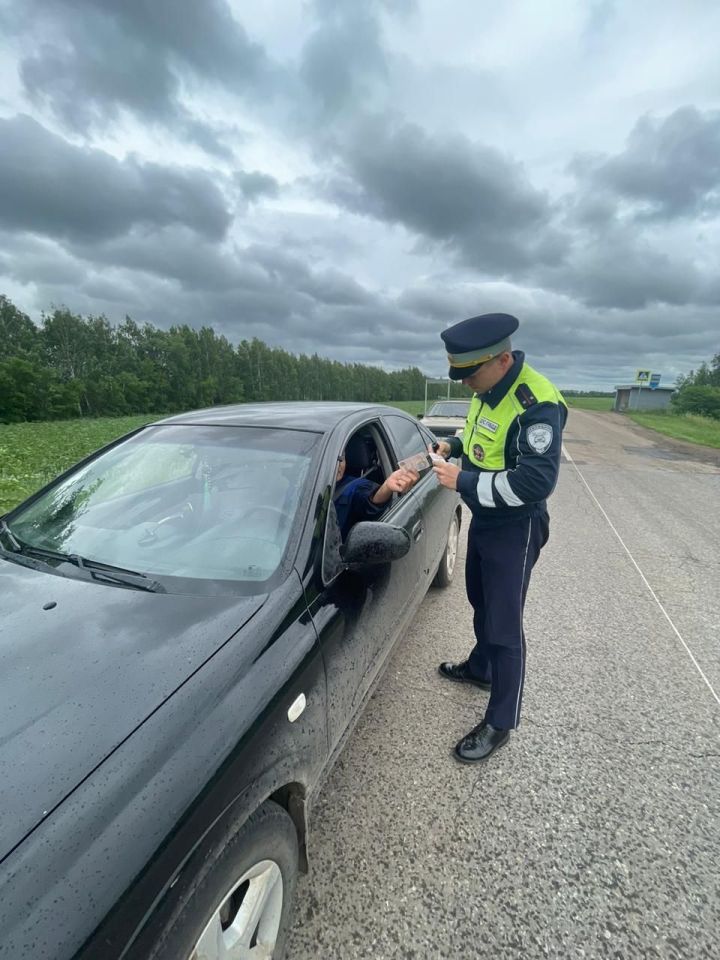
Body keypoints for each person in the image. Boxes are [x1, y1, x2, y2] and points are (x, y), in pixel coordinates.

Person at [431, 313, 568, 763]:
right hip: (487, 518)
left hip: (517, 524)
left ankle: (500, 721)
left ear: (503, 358)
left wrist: (462, 481)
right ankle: (481, 668)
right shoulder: (489, 388)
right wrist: (453, 445)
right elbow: (482, 440)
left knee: (506, 625)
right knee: (481, 600)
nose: (466, 382)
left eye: (471, 373)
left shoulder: (536, 403)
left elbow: (533, 483)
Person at [333, 435, 418, 539]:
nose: (338, 465)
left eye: (341, 459)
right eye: (332, 459)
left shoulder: (354, 486)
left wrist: (386, 487)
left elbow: (370, 502)